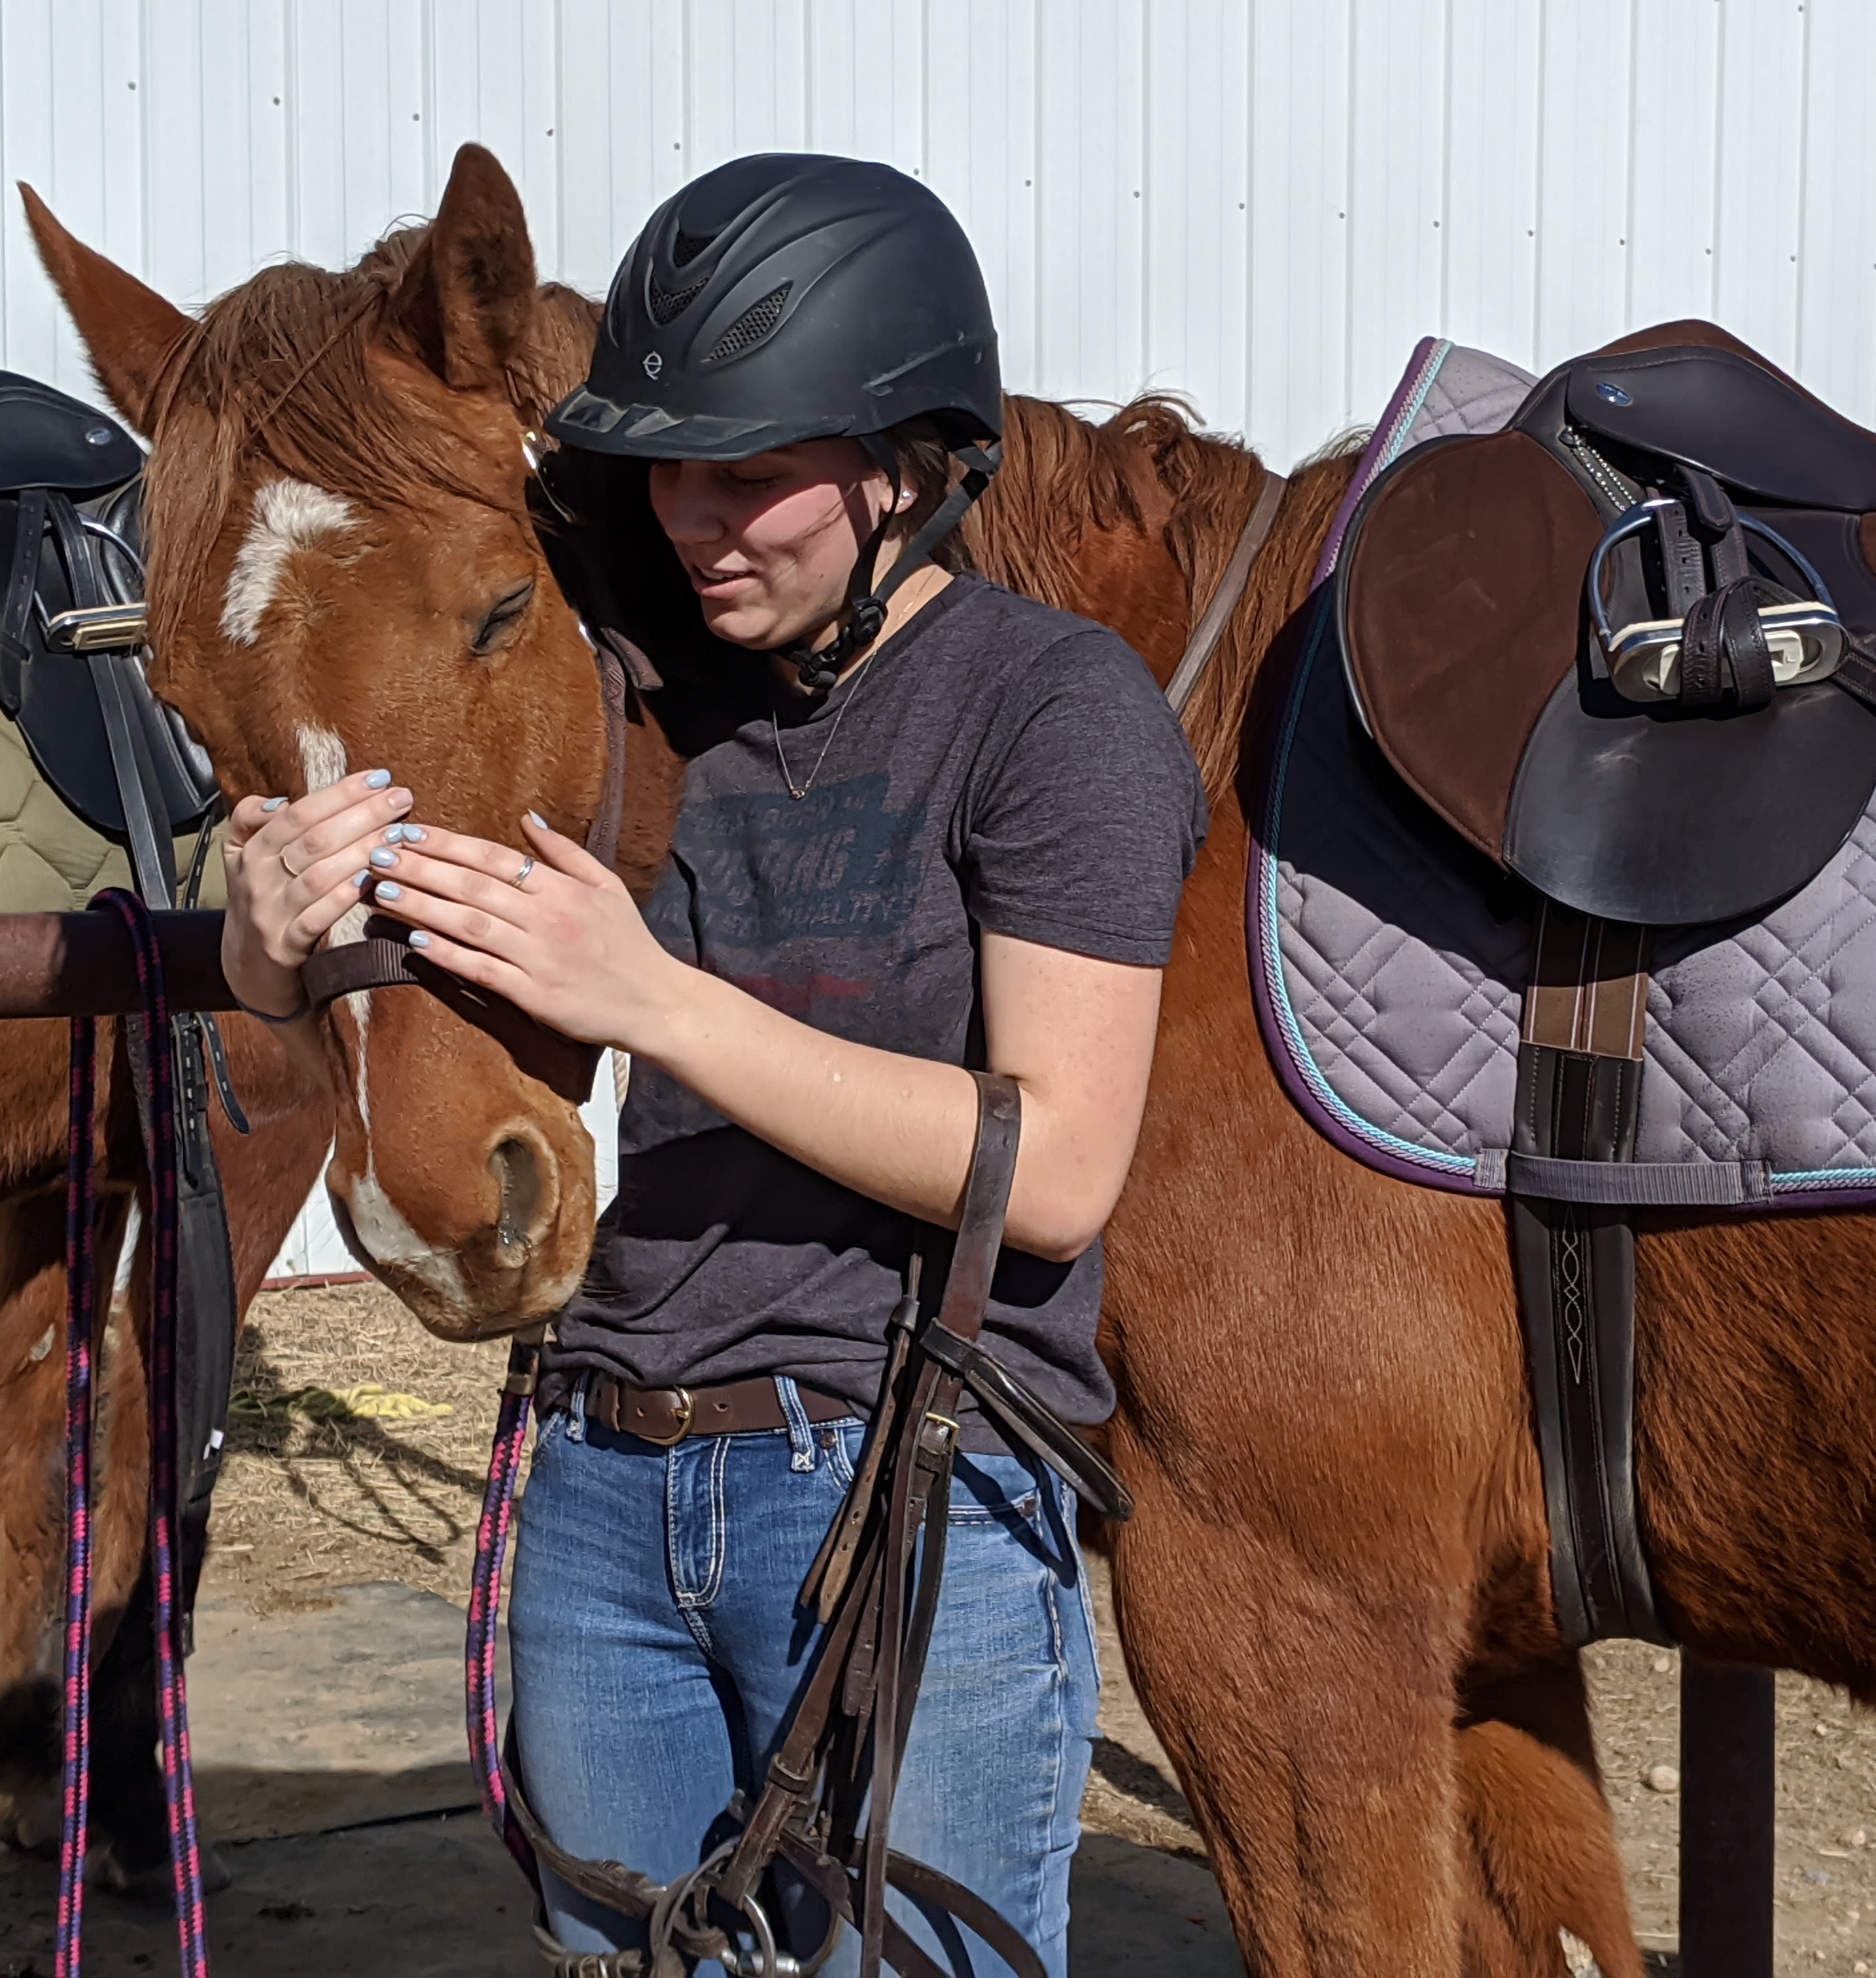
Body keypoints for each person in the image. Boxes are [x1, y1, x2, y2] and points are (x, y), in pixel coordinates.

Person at [216, 154, 1205, 1976]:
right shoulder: (625, 681)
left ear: (911, 465)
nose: (695, 522)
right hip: (599, 1480)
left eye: (753, 474)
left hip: (904, 1489)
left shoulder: (1053, 711)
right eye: (669, 471)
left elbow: (1057, 1168)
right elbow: (386, 699)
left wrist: (657, 1003)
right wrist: (262, 935)